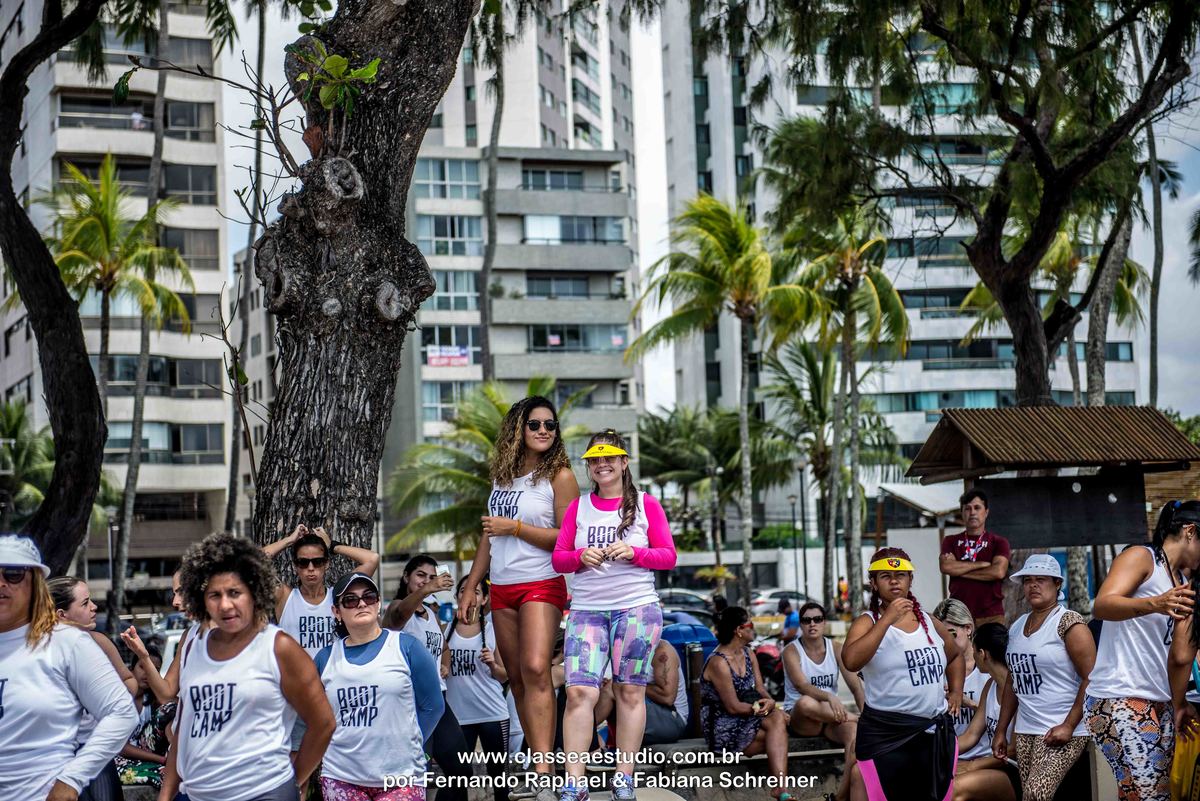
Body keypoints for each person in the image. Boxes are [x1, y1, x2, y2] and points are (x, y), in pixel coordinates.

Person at [459, 396, 578, 801]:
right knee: (516, 678)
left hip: (542, 582)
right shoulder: (503, 478)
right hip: (503, 586)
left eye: (550, 425)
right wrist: (473, 583)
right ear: (518, 429)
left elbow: (567, 538)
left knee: (535, 667)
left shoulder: (559, 475)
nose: (544, 430)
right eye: (535, 424)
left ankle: (545, 770)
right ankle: (536, 759)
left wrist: (517, 527)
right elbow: (488, 536)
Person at [157, 532, 335, 801]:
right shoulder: (195, 646)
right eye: (214, 594)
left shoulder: (278, 648)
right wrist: (165, 795)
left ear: (254, 593)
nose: (225, 604)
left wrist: (291, 780)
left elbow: (323, 723)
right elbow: (186, 727)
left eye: (235, 593)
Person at [552, 430, 678, 801]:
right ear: (589, 467)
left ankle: (624, 777)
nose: (602, 464)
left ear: (624, 462)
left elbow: (668, 555)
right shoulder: (578, 507)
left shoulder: (646, 505)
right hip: (587, 610)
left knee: (629, 691)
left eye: (610, 457)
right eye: (594, 459)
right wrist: (580, 557)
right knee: (578, 692)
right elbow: (559, 557)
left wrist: (634, 552)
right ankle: (575, 780)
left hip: (637, 607)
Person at [0, 535, 139, 801]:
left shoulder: (66, 642)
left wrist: (70, 781)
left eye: (14, 574)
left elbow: (122, 712)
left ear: (35, 584)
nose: (1, 583)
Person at [1091, 500, 1200, 801]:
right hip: (1120, 694)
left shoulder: (1182, 580)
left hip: (1159, 700)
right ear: (1190, 531)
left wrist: (1178, 704)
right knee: (1153, 796)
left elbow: (1179, 655)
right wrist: (1155, 603)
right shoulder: (1143, 558)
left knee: (1141, 794)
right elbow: (1101, 605)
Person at [841, 547, 964, 801]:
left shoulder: (929, 622)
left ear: (910, 580)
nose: (894, 580)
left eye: (901, 574)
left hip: (932, 732)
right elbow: (851, 661)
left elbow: (955, 656)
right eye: (885, 575)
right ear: (873, 583)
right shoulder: (868, 622)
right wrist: (887, 619)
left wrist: (956, 691)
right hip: (888, 735)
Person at [314, 571, 445, 801]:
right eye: (350, 600)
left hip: (401, 777)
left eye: (369, 596)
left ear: (378, 604)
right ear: (337, 612)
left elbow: (433, 706)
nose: (361, 603)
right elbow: (312, 716)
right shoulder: (325, 658)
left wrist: (409, 743)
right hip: (341, 776)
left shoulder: (406, 647)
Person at [992, 554, 1095, 801]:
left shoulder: (1069, 623)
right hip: (1027, 729)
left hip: (1061, 728)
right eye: (1028, 580)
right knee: (1030, 794)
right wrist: (1001, 729)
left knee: (1036, 795)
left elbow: (1092, 678)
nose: (1033, 585)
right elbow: (1013, 681)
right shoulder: (1017, 626)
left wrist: (1069, 725)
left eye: (1041, 579)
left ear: (1057, 583)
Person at [385, 554, 472, 801]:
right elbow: (401, 612)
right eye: (420, 575)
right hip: (410, 704)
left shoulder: (432, 616)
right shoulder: (397, 608)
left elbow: (444, 647)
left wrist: (445, 665)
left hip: (439, 700)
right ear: (406, 577)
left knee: (461, 770)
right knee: (416, 774)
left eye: (432, 577)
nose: (427, 581)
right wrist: (428, 590)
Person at [48, 575, 139, 801]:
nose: (94, 607)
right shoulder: (37, 651)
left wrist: (105, 698)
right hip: (51, 755)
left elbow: (130, 681)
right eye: (85, 602)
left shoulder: (98, 641)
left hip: (92, 749)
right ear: (61, 615)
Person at [699, 607, 794, 801]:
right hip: (722, 724)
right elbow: (732, 706)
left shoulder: (749, 654)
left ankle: (781, 789)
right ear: (738, 630)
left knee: (776, 723)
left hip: (746, 717)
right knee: (777, 726)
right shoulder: (719, 662)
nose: (753, 628)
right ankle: (780, 788)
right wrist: (764, 710)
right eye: (750, 624)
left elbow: (760, 688)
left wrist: (769, 702)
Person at [781, 602, 863, 801]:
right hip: (803, 719)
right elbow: (801, 686)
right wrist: (829, 697)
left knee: (853, 734)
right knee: (806, 703)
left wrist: (866, 711)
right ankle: (859, 719)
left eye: (817, 619)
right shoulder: (791, 651)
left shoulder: (836, 648)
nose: (812, 624)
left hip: (831, 719)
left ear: (824, 622)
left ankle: (842, 795)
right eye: (807, 620)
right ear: (800, 624)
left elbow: (856, 686)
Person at [444, 577, 510, 801]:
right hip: (458, 717)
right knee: (458, 776)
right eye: (463, 591)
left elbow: (503, 676)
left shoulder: (493, 630)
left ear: (485, 599)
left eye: (476, 592)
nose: (469, 596)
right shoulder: (445, 631)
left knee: (499, 776)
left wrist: (492, 663)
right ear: (457, 597)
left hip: (492, 713)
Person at [953, 623, 1018, 801]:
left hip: (1013, 769)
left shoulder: (1019, 690)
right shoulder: (990, 686)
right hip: (991, 766)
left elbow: (1014, 750)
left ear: (983, 654)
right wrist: (942, 752)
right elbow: (971, 735)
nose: (973, 655)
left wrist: (971, 766)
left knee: (955, 788)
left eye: (974, 651)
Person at [595, 638, 689, 747]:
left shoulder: (661, 650)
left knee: (613, 688)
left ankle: (582, 730)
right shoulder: (622, 649)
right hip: (643, 715)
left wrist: (627, 683)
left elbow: (667, 697)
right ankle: (586, 736)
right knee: (608, 689)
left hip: (672, 720)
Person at [939, 490, 1011, 626]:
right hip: (958, 613)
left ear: (986, 512)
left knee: (992, 648)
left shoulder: (999, 542)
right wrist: (982, 564)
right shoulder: (950, 541)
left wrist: (960, 571)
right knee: (958, 648)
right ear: (962, 513)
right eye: (967, 508)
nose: (972, 512)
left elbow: (998, 572)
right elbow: (946, 567)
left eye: (977, 508)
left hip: (991, 614)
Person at [931, 598, 988, 763]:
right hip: (948, 757)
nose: (945, 642)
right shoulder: (935, 670)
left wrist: (968, 703)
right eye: (939, 636)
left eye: (951, 634)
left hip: (985, 757)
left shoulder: (987, 668)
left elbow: (1002, 719)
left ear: (968, 628)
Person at [115, 646, 172, 788]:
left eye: (154, 669)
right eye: (142, 666)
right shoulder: (118, 697)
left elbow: (175, 710)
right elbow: (120, 747)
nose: (147, 673)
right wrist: (163, 760)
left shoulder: (152, 700)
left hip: (146, 751)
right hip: (117, 759)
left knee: (170, 707)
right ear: (132, 668)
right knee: (162, 775)